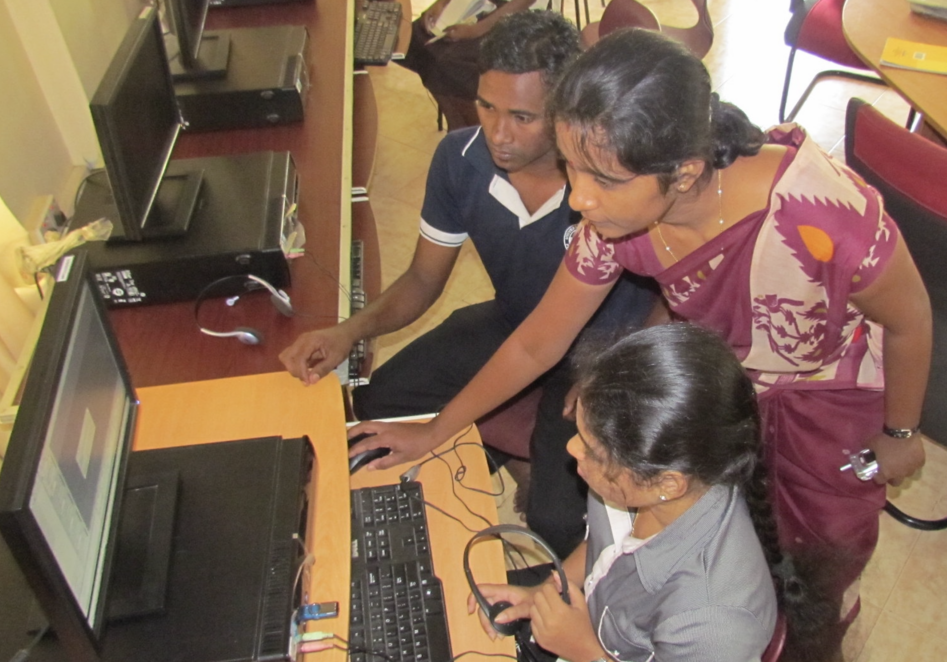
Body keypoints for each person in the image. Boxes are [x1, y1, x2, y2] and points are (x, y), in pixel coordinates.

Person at [348, 28, 932, 653]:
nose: (579, 198)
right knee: (713, 542)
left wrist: (900, 434)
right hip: (719, 387)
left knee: (814, 558)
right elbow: (537, 342)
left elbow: (910, 319)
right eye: (572, 168)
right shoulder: (615, 219)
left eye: (601, 178)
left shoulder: (821, 213)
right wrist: (435, 430)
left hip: (829, 399)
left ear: (682, 174)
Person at [279, 12, 658, 558]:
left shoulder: (606, 184)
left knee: (558, 519)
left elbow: (669, 295)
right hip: (516, 322)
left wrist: (617, 373)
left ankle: (521, 460)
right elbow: (422, 280)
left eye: (523, 116)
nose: (497, 133)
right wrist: (349, 331)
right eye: (486, 106)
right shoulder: (459, 161)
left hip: (598, 353)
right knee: (374, 405)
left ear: (566, 109)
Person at [468, 324, 840, 662]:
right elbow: (607, 545)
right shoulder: (641, 483)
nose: (572, 450)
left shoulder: (714, 623)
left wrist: (587, 651)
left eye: (592, 449)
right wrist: (549, 590)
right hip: (588, 613)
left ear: (667, 484)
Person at [399, 0, 546, 130]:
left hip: (519, 14)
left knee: (450, 62)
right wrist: (441, 3)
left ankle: (474, 129)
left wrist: (475, 30)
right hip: (478, 5)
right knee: (416, 40)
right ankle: (457, 122)